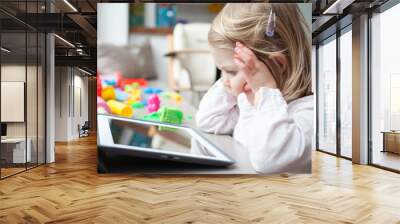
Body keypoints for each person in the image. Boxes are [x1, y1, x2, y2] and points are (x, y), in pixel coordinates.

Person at [196, 3, 313, 174]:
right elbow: (208, 120)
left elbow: (270, 160)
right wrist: (230, 81)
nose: (224, 81)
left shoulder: (307, 113)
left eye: (231, 71)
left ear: (277, 65)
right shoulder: (249, 103)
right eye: (221, 71)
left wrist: (266, 89)